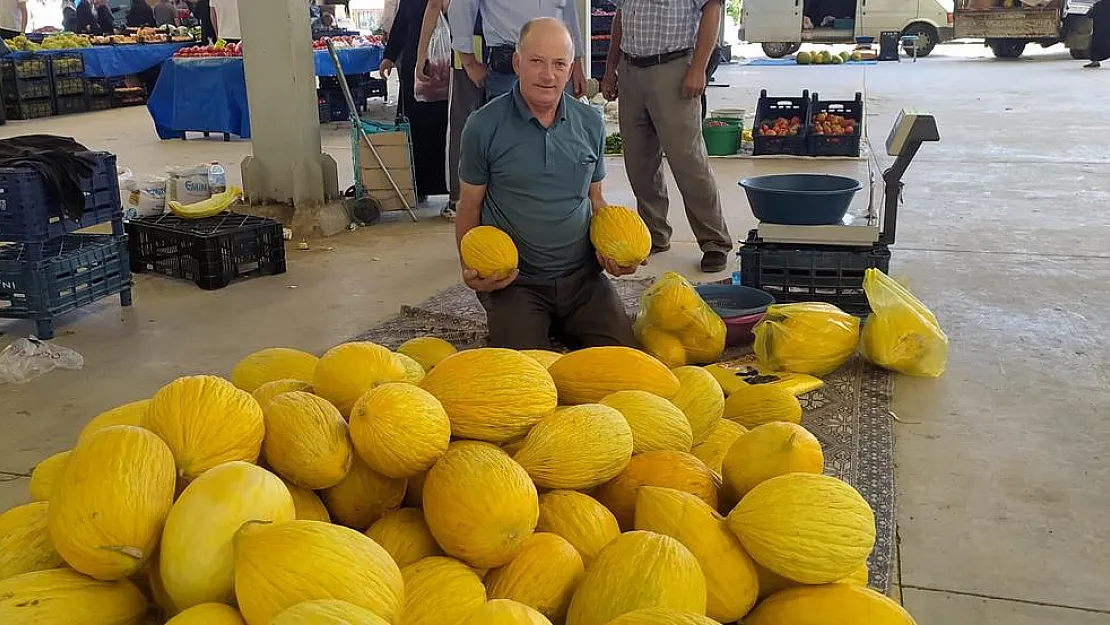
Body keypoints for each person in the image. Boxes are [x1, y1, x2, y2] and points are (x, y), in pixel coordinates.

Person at [456, 17, 639, 350]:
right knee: (527, 381)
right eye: (536, 61)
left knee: (625, 361)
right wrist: (470, 266)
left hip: (583, 278)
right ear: (517, 63)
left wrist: (611, 249)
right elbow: (469, 205)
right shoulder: (483, 126)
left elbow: (595, 198)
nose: (548, 75)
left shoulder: (591, 123)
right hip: (515, 281)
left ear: (570, 70)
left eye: (559, 64)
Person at [601, 0, 732, 273]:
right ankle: (654, 234)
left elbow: (712, 9)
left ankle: (714, 242)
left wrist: (698, 67)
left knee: (688, 162)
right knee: (639, 163)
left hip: (673, 69)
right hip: (630, 69)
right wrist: (610, 67)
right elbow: (621, 15)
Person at [415, 0, 484, 221]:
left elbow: (435, 4)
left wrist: (421, 54)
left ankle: (459, 199)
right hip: (506, 52)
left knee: (462, 127)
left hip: (466, 53)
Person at [448, 0, 586, 101]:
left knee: (558, 134)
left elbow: (569, 11)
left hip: (558, 66)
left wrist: (578, 61)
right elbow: (460, 6)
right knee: (509, 135)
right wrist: (469, 62)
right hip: (509, 71)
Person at [380, 0, 449, 201]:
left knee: (442, 125)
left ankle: (445, 185)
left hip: (443, 62)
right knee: (414, 124)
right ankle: (417, 185)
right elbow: (402, 20)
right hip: (414, 65)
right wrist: (390, 56)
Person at [1085, 0, 1109, 68]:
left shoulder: (1099, 5)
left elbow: (1090, 14)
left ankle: (1095, 62)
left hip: (1099, 31)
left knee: (1097, 46)